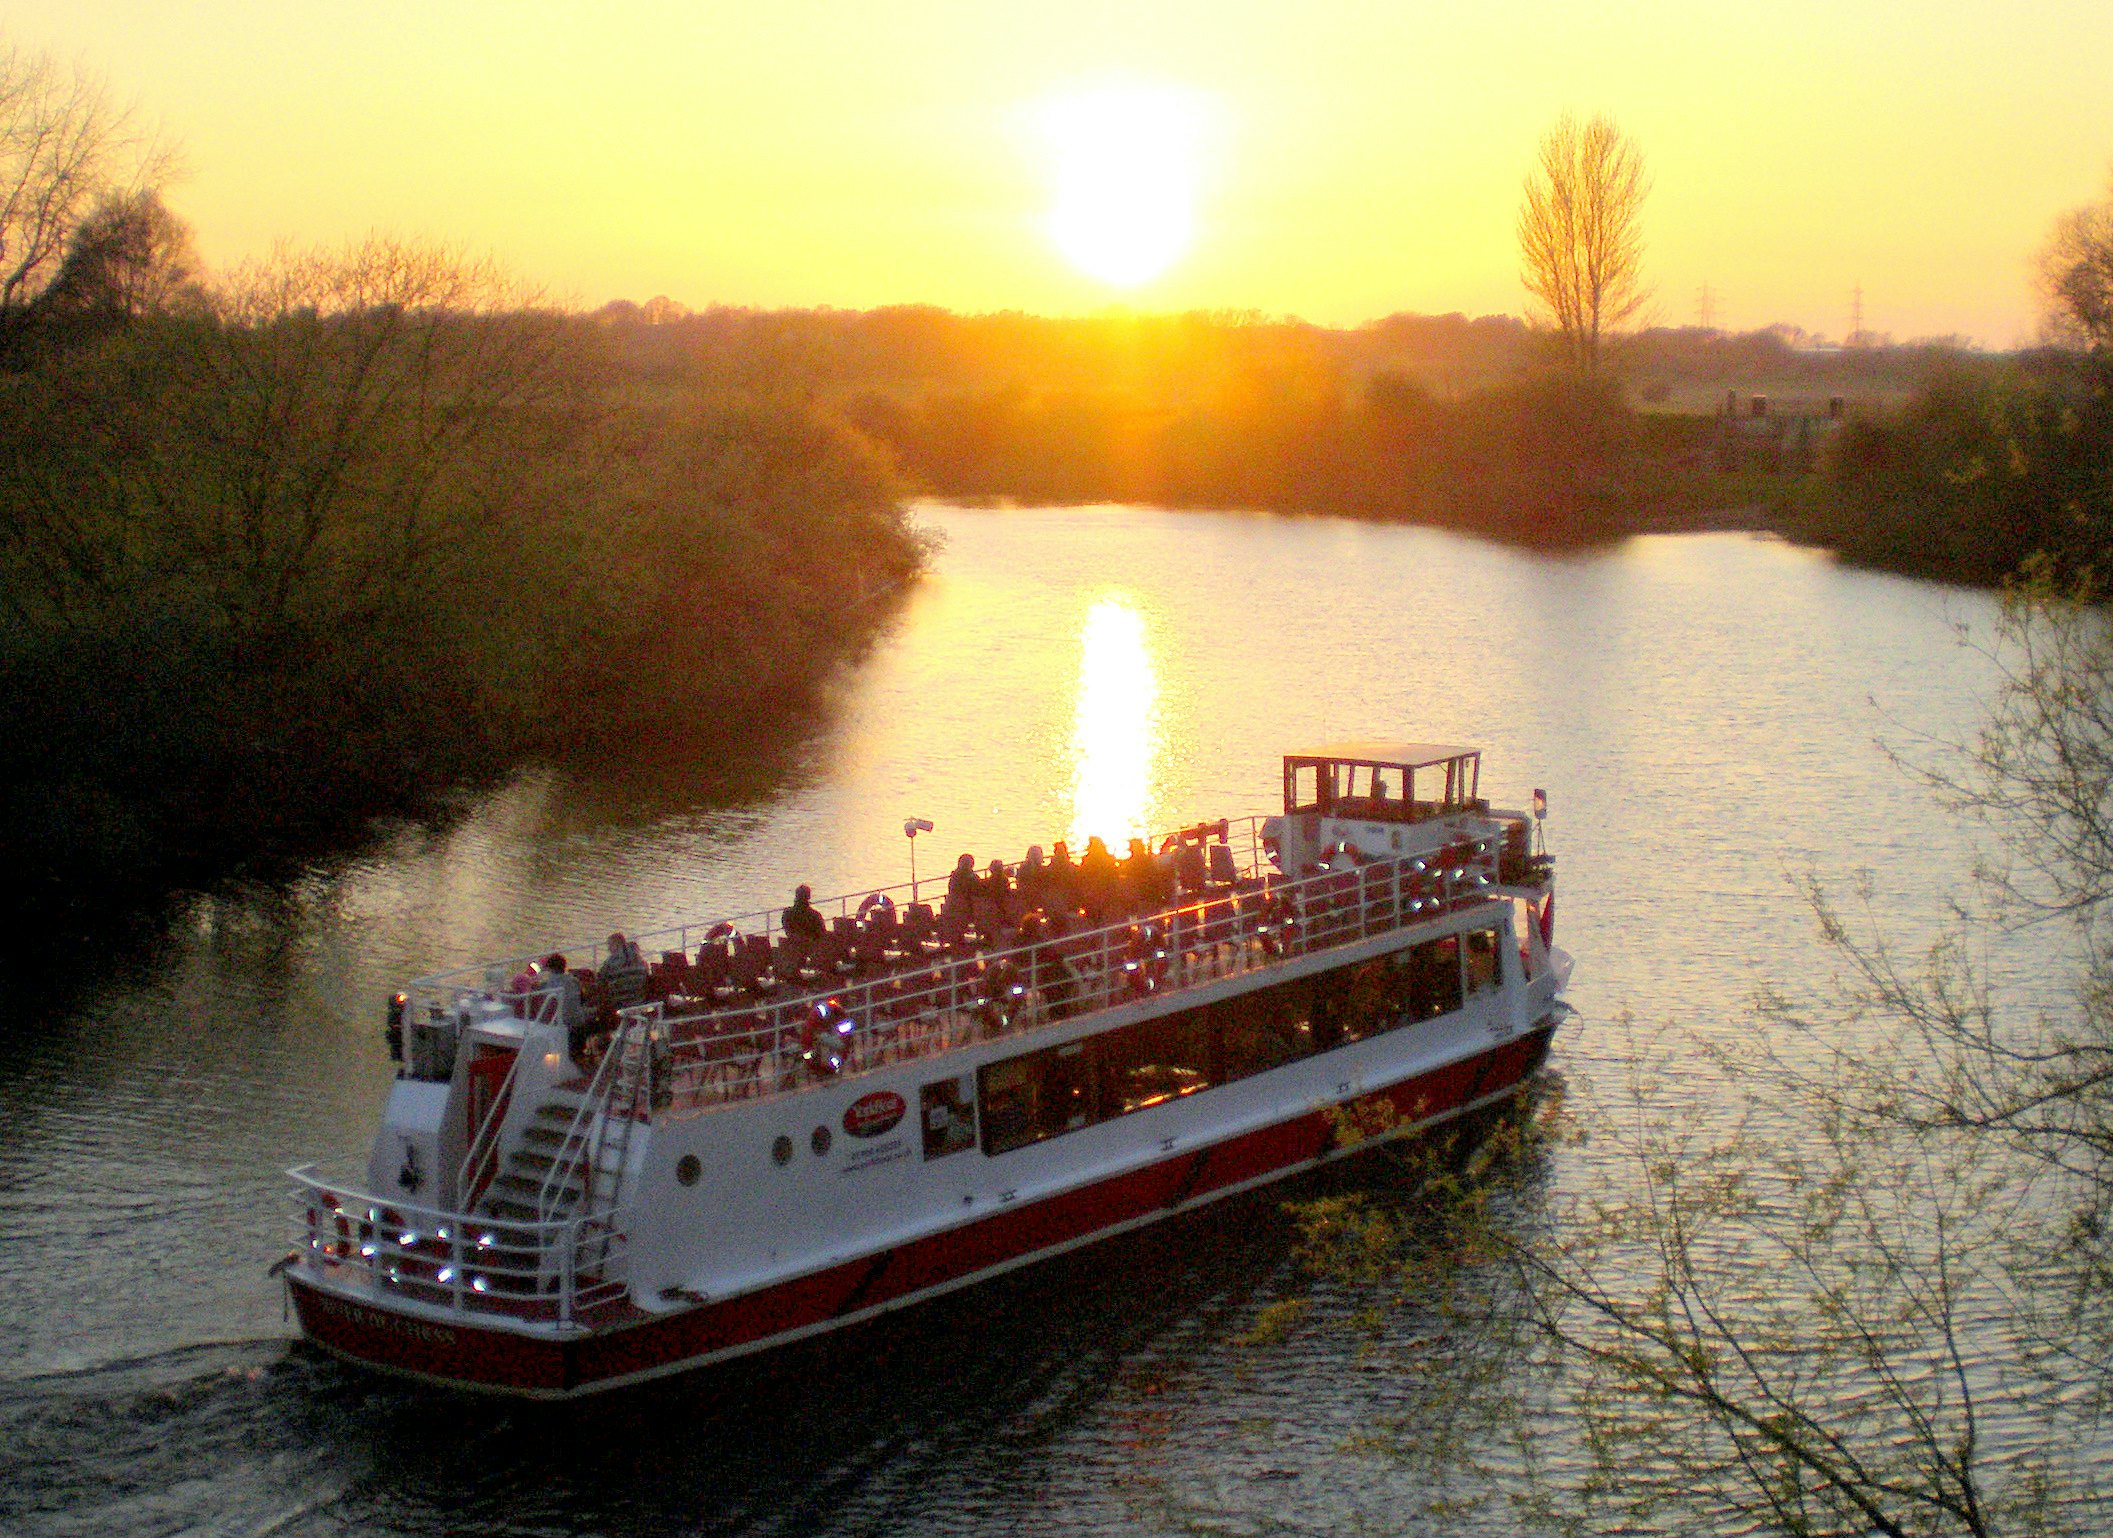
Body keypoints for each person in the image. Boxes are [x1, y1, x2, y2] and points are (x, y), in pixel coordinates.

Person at [1078, 835, 1120, 922]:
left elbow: (1083, 876)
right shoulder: (1108, 859)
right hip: (1104, 894)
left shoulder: (1088, 860)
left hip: (1095, 894)